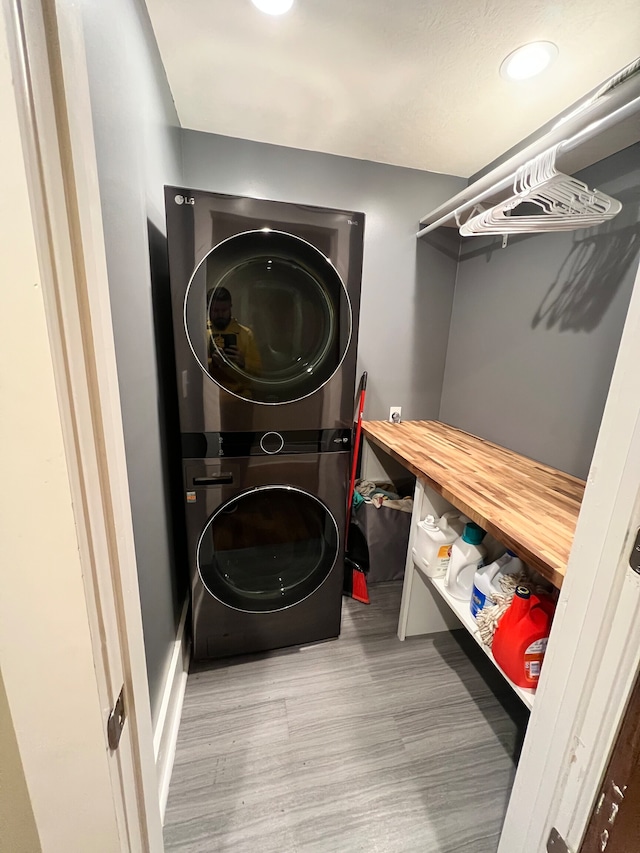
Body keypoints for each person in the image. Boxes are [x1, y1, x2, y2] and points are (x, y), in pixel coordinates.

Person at [207, 286, 262, 384]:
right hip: (210, 393)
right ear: (208, 309)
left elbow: (259, 371)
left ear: (230, 307)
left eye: (224, 310)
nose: (220, 314)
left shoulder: (245, 334)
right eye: (215, 310)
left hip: (240, 394)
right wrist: (213, 363)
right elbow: (192, 369)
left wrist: (243, 362)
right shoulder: (202, 333)